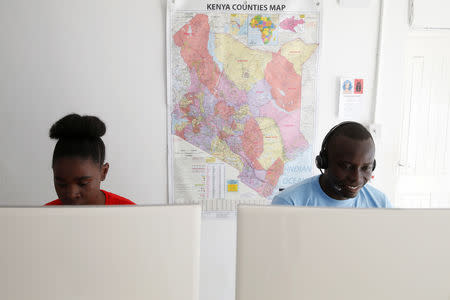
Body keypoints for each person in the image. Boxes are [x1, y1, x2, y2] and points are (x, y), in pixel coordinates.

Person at [272, 121, 392, 208]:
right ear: (324, 162)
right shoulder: (289, 203)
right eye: (347, 166)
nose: (356, 178)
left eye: (366, 168)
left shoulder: (381, 204)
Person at [44, 114, 135, 205]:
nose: (71, 194)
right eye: (61, 184)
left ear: (104, 172)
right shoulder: (43, 216)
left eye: (83, 183)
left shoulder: (129, 213)